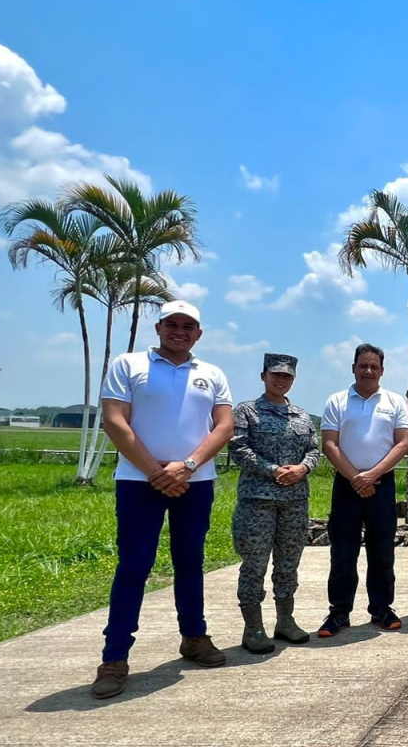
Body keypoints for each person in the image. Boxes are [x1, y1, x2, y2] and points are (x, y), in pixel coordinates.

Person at [91, 300, 234, 700]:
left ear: (199, 334)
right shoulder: (129, 365)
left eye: (188, 325)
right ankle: (114, 657)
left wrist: (186, 466)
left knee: (190, 561)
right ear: (158, 328)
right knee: (134, 565)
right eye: (172, 323)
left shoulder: (211, 373)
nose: (180, 331)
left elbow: (223, 426)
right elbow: (115, 420)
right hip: (139, 481)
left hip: (195, 481)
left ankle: (193, 636)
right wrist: (155, 470)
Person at [228, 353, 320, 653]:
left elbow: (313, 451)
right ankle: (253, 628)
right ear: (263, 376)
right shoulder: (247, 411)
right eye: (275, 374)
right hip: (259, 501)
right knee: (254, 564)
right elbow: (238, 447)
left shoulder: (302, 416)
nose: (281, 380)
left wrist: (303, 468)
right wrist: (272, 470)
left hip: (294, 501)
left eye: (287, 376)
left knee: (288, 564)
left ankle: (285, 621)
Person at [318, 343, 408, 637]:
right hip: (346, 486)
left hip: (382, 486)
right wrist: (356, 477)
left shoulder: (395, 402)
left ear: (382, 370)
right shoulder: (337, 401)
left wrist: (372, 475)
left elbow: (403, 444)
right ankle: (339, 612)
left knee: (382, 552)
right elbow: (330, 444)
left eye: (374, 366)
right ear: (353, 368)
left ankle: (381, 608)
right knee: (343, 552)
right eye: (363, 366)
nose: (368, 371)